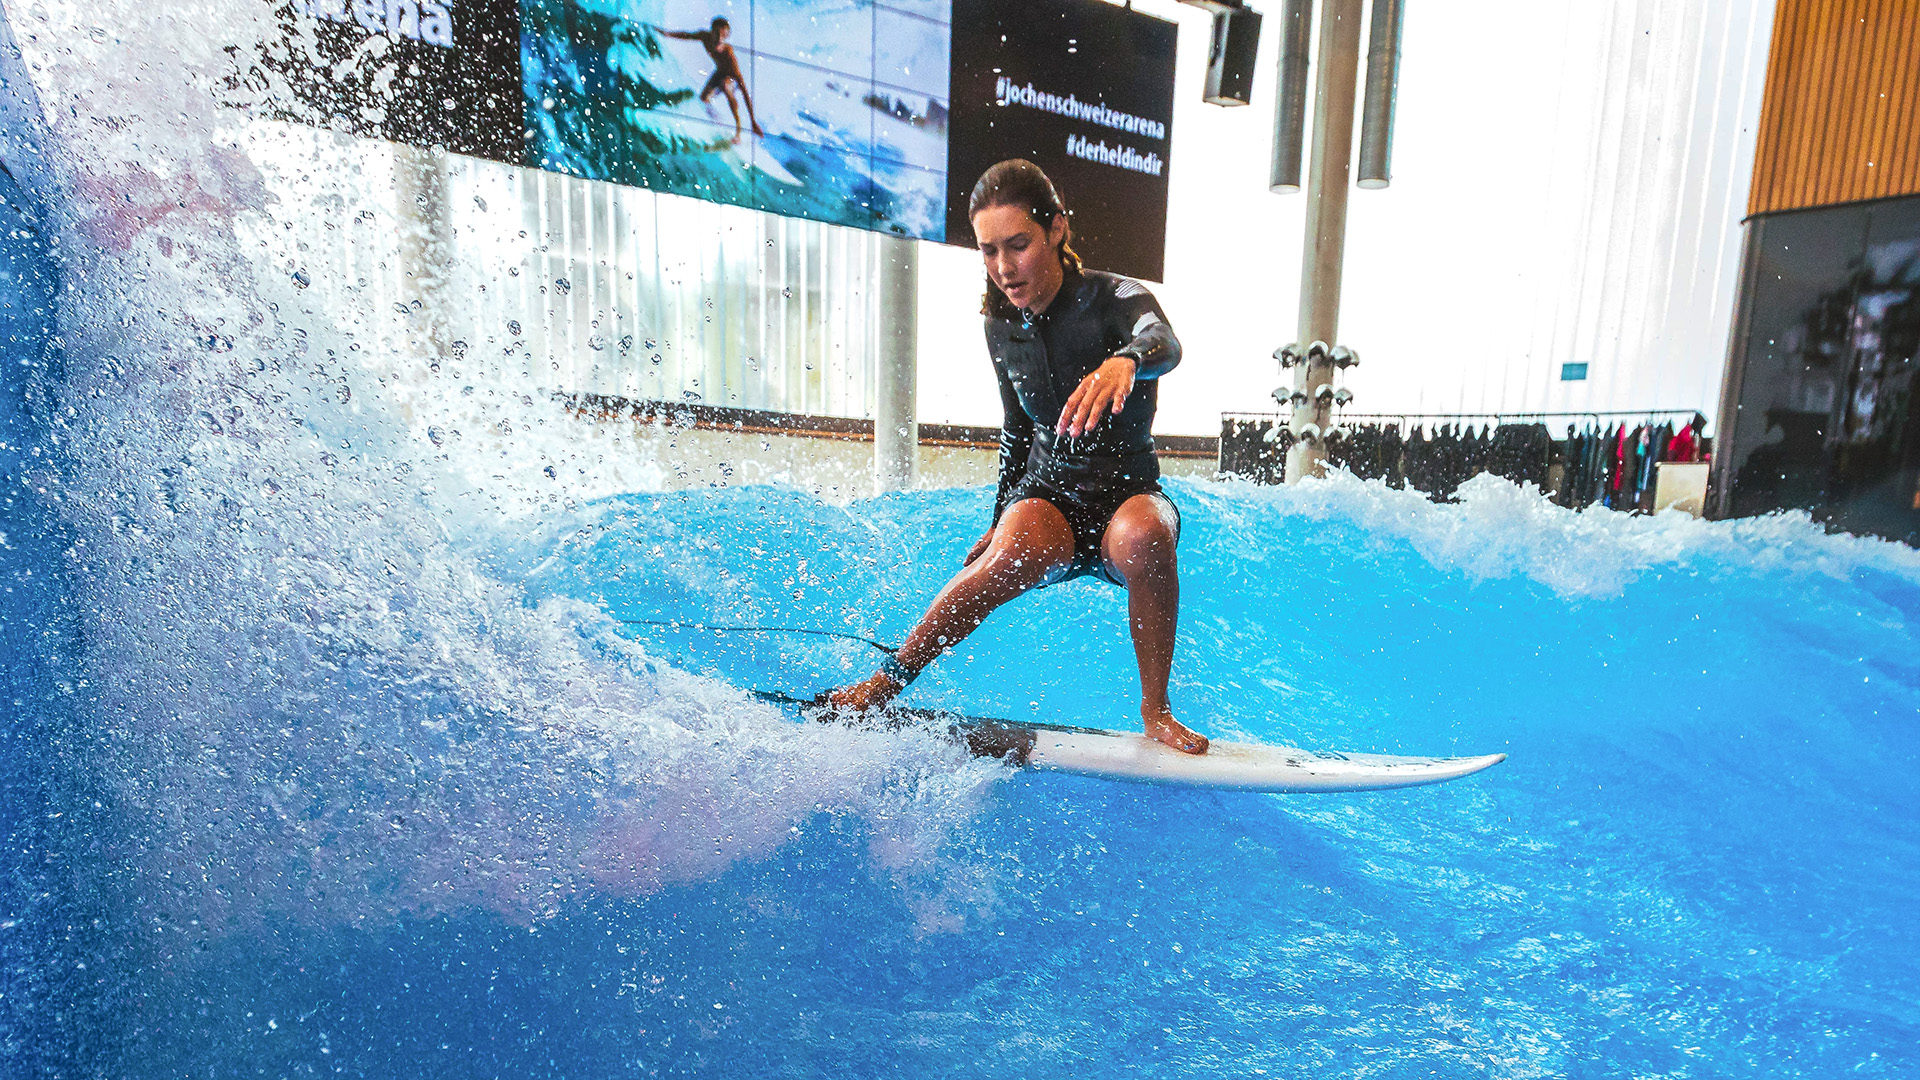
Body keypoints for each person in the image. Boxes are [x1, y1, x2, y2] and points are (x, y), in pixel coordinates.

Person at [822, 159, 1208, 755]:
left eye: (1018, 245)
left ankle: (1155, 712)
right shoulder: (1001, 325)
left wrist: (1126, 360)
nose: (1004, 267)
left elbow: (1167, 343)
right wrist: (999, 516)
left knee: (1145, 537)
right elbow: (1017, 428)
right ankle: (885, 683)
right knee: (1007, 554)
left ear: (1056, 229)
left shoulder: (1116, 298)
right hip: (1051, 495)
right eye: (988, 251)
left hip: (1126, 494)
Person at [657, 17, 763, 142]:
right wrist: (668, 34)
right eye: (717, 34)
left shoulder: (729, 56)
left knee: (725, 85)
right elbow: (687, 35)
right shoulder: (704, 37)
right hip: (718, 73)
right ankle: (717, 121)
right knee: (703, 99)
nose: (719, 39)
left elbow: (744, 91)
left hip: (730, 78)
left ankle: (738, 132)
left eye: (724, 36)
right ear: (711, 31)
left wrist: (753, 122)